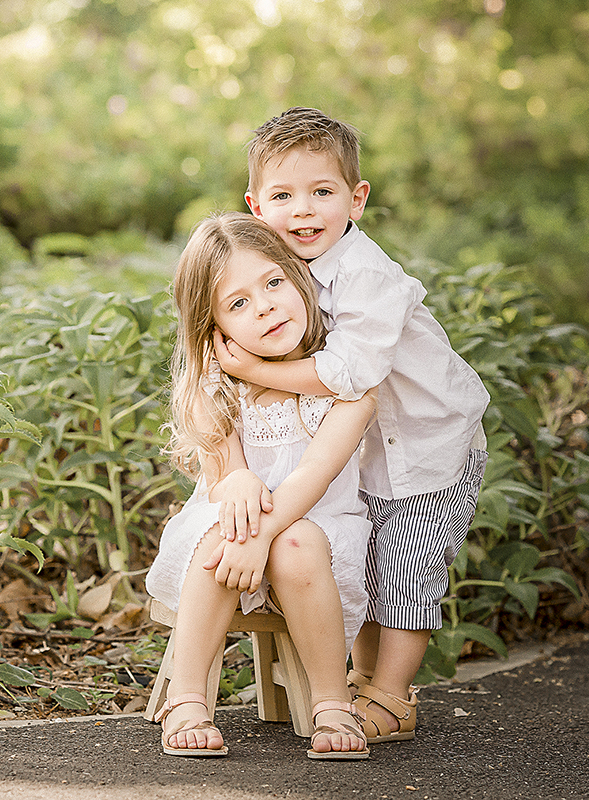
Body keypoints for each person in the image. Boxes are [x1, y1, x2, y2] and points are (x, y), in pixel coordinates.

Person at [214, 107, 490, 743]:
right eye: (283, 195)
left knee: (405, 574)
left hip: (427, 447)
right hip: (365, 448)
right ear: (256, 207)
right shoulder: (282, 274)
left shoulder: (365, 273)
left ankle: (392, 696)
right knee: (369, 563)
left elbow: (352, 371)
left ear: (356, 199)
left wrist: (256, 369)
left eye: (322, 192)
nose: (303, 211)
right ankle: (366, 687)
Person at [145, 212, 375, 760]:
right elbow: (222, 473)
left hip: (316, 532)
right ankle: (187, 697)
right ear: (215, 329)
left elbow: (313, 479)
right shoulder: (214, 384)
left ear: (300, 277)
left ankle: (331, 698)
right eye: (238, 303)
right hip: (228, 527)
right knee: (223, 534)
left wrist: (262, 533)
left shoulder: (347, 387)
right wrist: (240, 479)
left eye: (273, 282)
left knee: (293, 543)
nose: (266, 305)